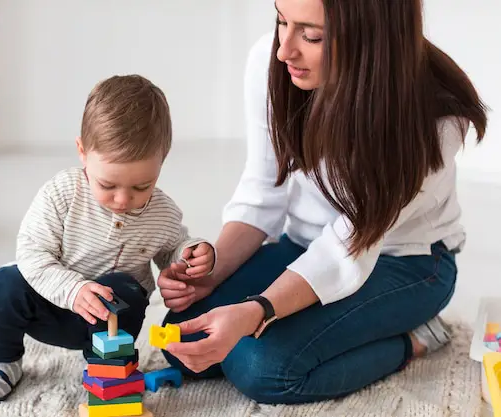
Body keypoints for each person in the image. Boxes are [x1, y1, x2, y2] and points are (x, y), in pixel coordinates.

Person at [157, 0, 488, 405]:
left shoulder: (433, 120)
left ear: (371, 37)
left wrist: (259, 310)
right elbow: (264, 190)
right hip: (305, 245)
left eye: (312, 35)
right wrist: (214, 269)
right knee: (183, 333)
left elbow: (349, 245)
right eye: (282, 21)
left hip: (407, 263)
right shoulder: (271, 61)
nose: (285, 50)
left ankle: (417, 337)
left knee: (261, 367)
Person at [0, 75, 216, 406]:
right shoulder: (62, 193)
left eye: (142, 186)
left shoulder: (163, 212)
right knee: (1, 286)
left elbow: (172, 248)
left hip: (110, 321)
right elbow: (32, 252)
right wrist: (73, 289)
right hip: (50, 303)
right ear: (82, 152)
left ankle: (107, 367)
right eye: (108, 185)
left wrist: (191, 253)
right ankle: (0, 361)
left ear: (162, 161)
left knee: (125, 288)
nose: (123, 199)